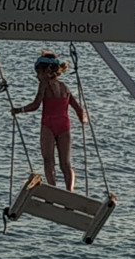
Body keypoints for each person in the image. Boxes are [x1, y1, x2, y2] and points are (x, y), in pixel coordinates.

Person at [13, 51, 87, 192]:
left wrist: (19, 110)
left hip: (48, 124)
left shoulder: (44, 84)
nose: (37, 77)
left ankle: (53, 188)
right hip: (64, 125)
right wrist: (82, 119)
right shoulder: (65, 87)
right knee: (65, 164)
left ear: (46, 71)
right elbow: (78, 108)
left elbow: (35, 105)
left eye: (38, 73)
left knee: (48, 161)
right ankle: (70, 190)